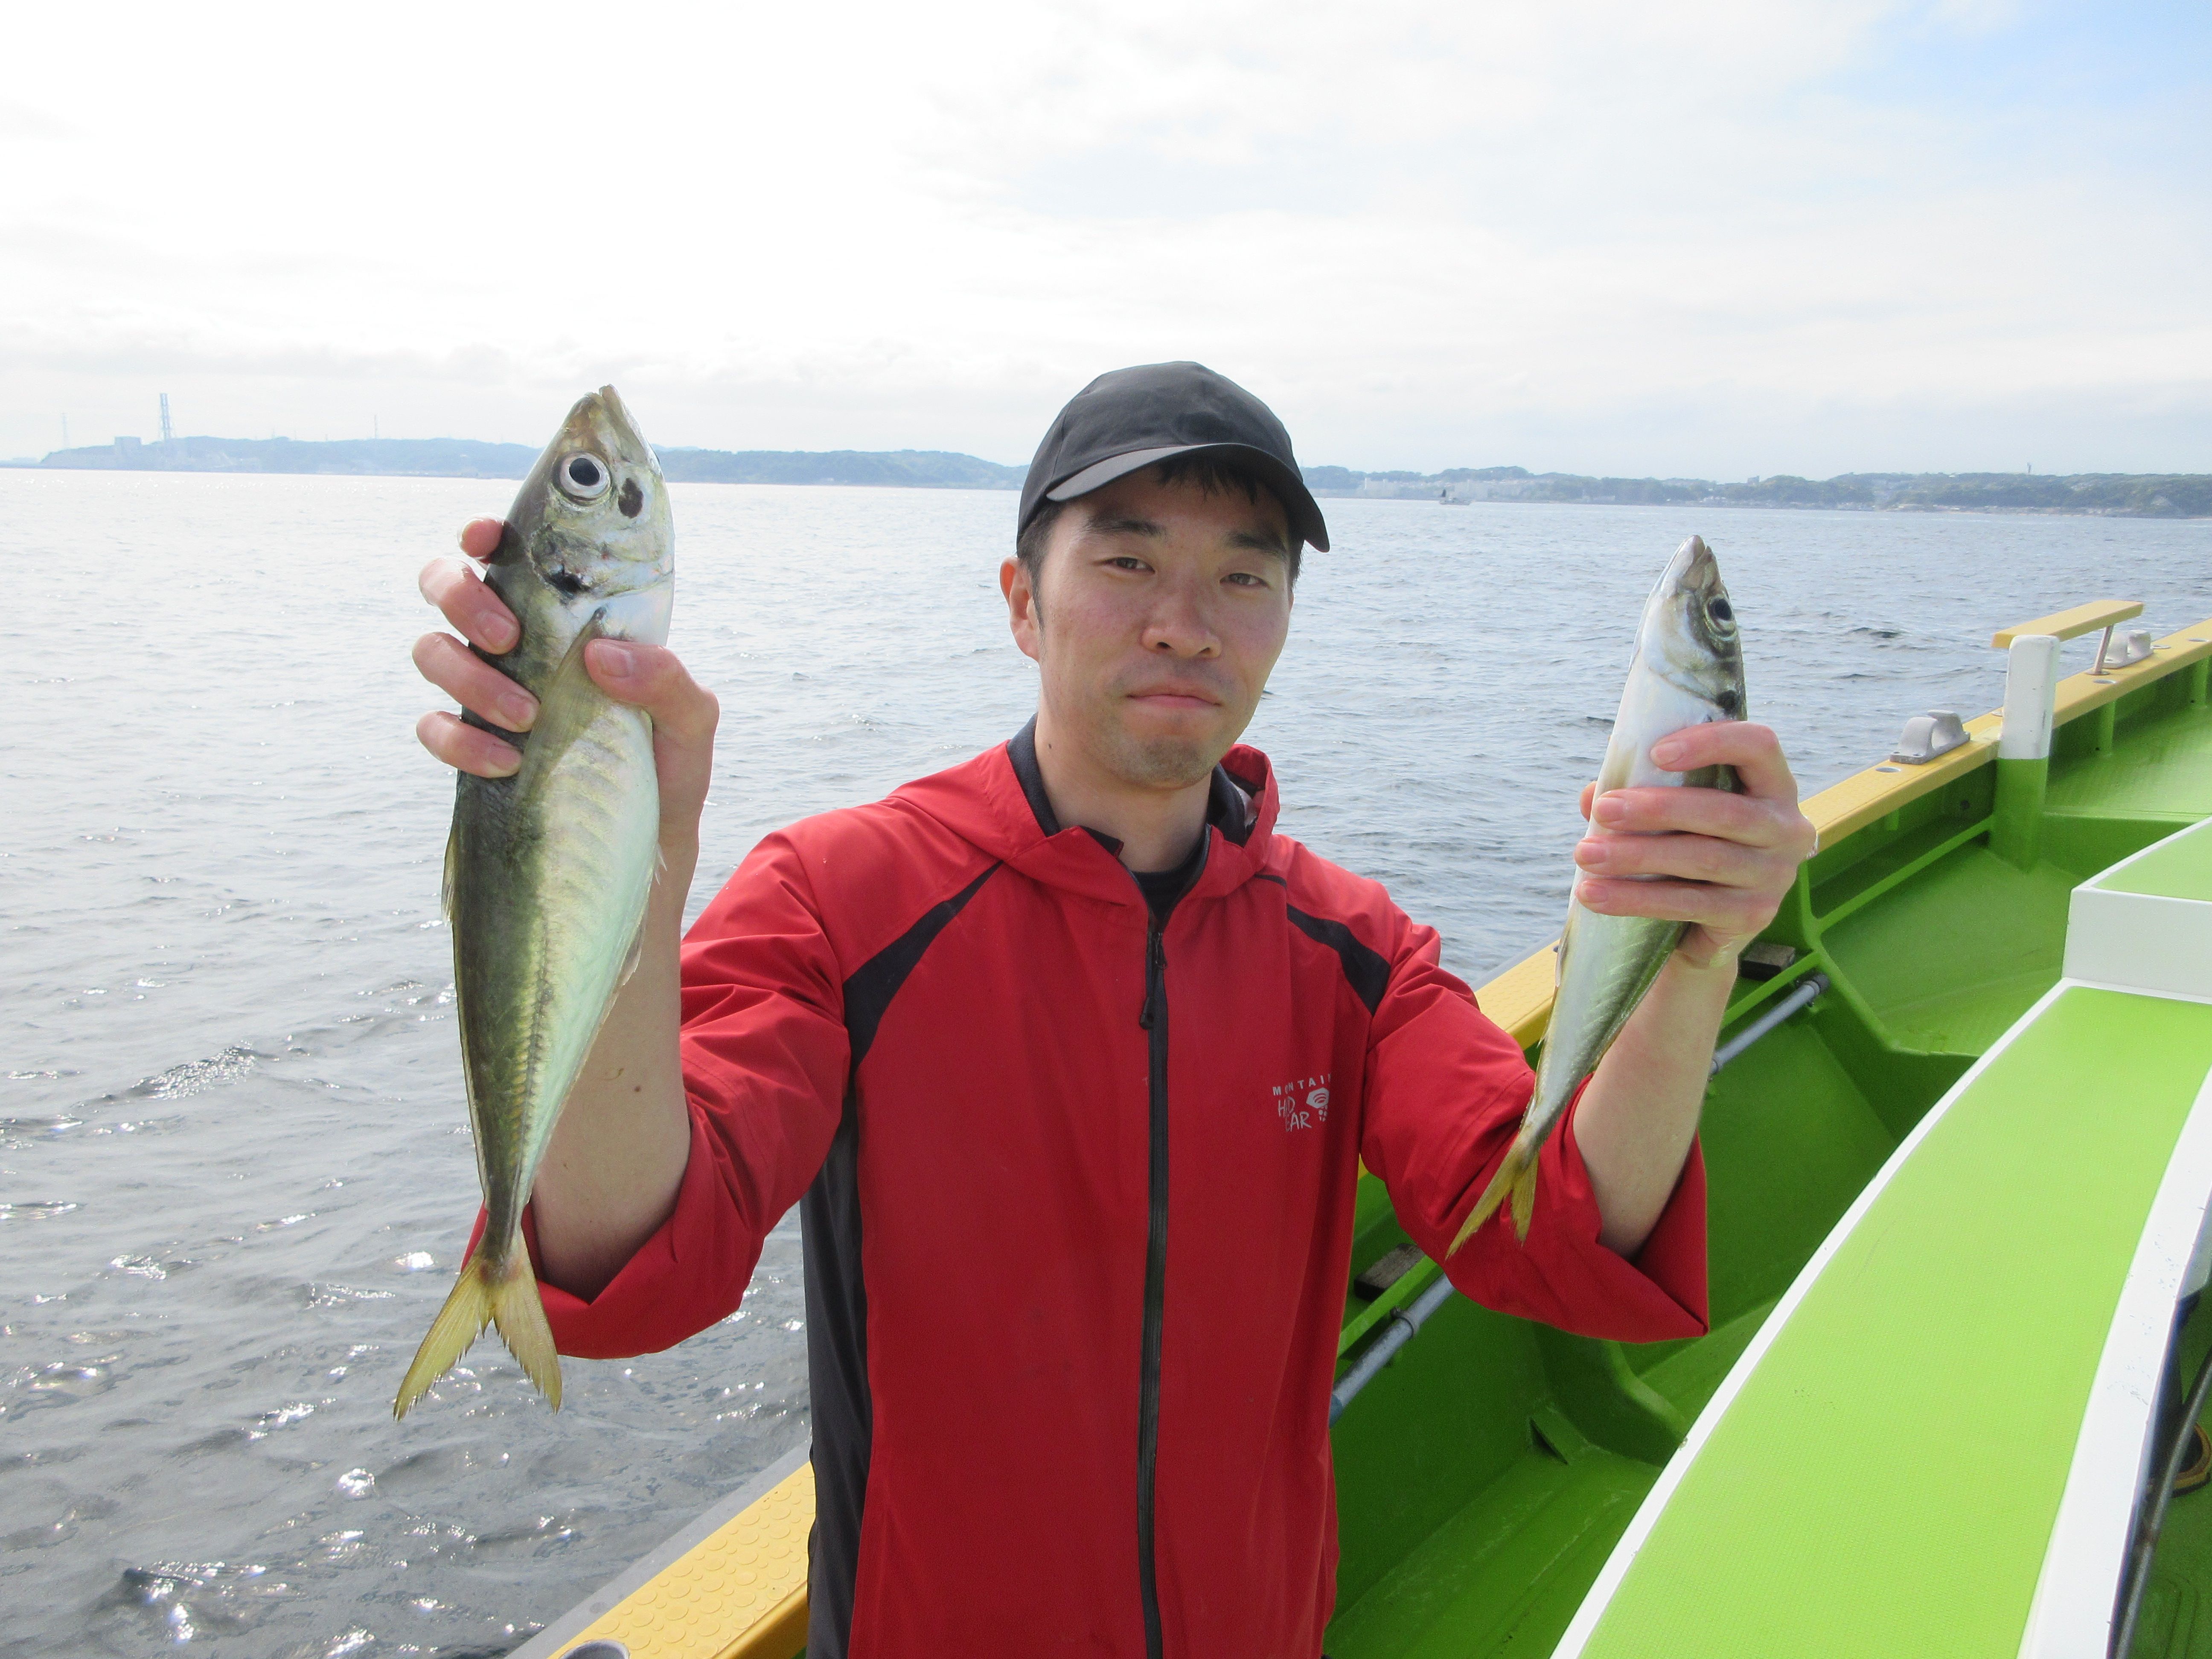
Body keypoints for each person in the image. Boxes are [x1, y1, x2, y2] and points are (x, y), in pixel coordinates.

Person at [411, 362, 1815, 1659]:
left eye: (1243, 577)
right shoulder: (840, 902)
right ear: (1021, 603)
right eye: (1128, 560)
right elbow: (629, 1257)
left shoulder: (1354, 952)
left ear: (1283, 623)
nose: (1183, 624)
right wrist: (629, 868)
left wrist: (1695, 960)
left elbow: (1560, 1241)